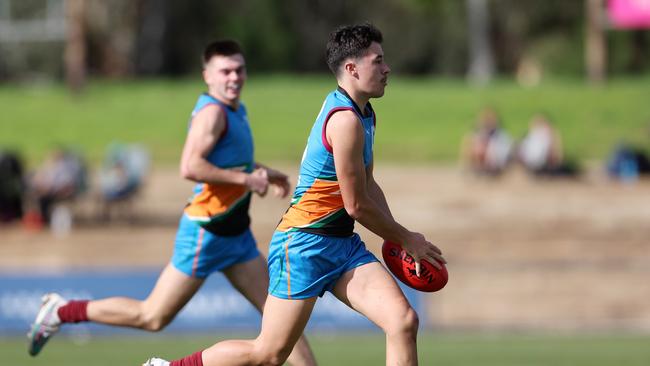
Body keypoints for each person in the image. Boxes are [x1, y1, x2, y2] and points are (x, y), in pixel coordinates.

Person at [142, 23, 446, 366]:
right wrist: (406, 239)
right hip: (303, 246)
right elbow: (356, 204)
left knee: (403, 321)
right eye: (378, 61)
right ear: (351, 69)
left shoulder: (365, 114)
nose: (387, 68)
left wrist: (394, 235)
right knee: (269, 354)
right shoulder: (344, 120)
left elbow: (368, 184)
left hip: (342, 246)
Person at [27, 40, 317, 366]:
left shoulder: (237, 110)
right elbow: (190, 166)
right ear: (207, 75)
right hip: (206, 233)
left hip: (236, 236)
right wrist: (248, 181)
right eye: (225, 71)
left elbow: (234, 160)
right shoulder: (212, 114)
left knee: (279, 319)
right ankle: (62, 311)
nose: (233, 77)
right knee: (152, 316)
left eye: (239, 70)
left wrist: (265, 171)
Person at [517, 113, 578, 177]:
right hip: (543, 166)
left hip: (531, 166)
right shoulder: (546, 134)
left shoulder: (531, 135)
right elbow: (557, 155)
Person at [460, 107, 513, 176]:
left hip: (496, 163)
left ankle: (482, 169)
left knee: (479, 146)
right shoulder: (481, 133)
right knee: (470, 141)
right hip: (487, 161)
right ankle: (475, 168)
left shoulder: (501, 135)